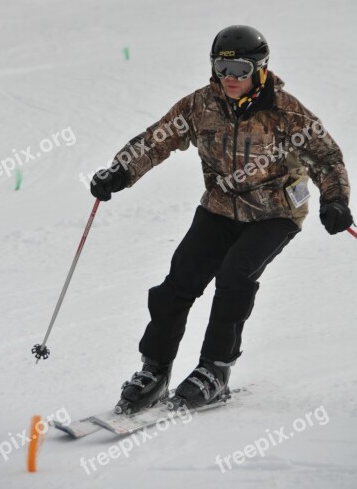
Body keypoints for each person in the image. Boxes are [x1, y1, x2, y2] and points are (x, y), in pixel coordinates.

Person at [90, 25, 353, 412]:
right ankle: (155, 370)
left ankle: (215, 369)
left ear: (260, 69)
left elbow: (327, 158)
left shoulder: (287, 112)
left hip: (274, 213)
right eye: (221, 68)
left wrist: (335, 199)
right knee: (178, 282)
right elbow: (157, 139)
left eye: (241, 69)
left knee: (234, 277)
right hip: (219, 209)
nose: (230, 78)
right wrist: (121, 171)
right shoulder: (200, 105)